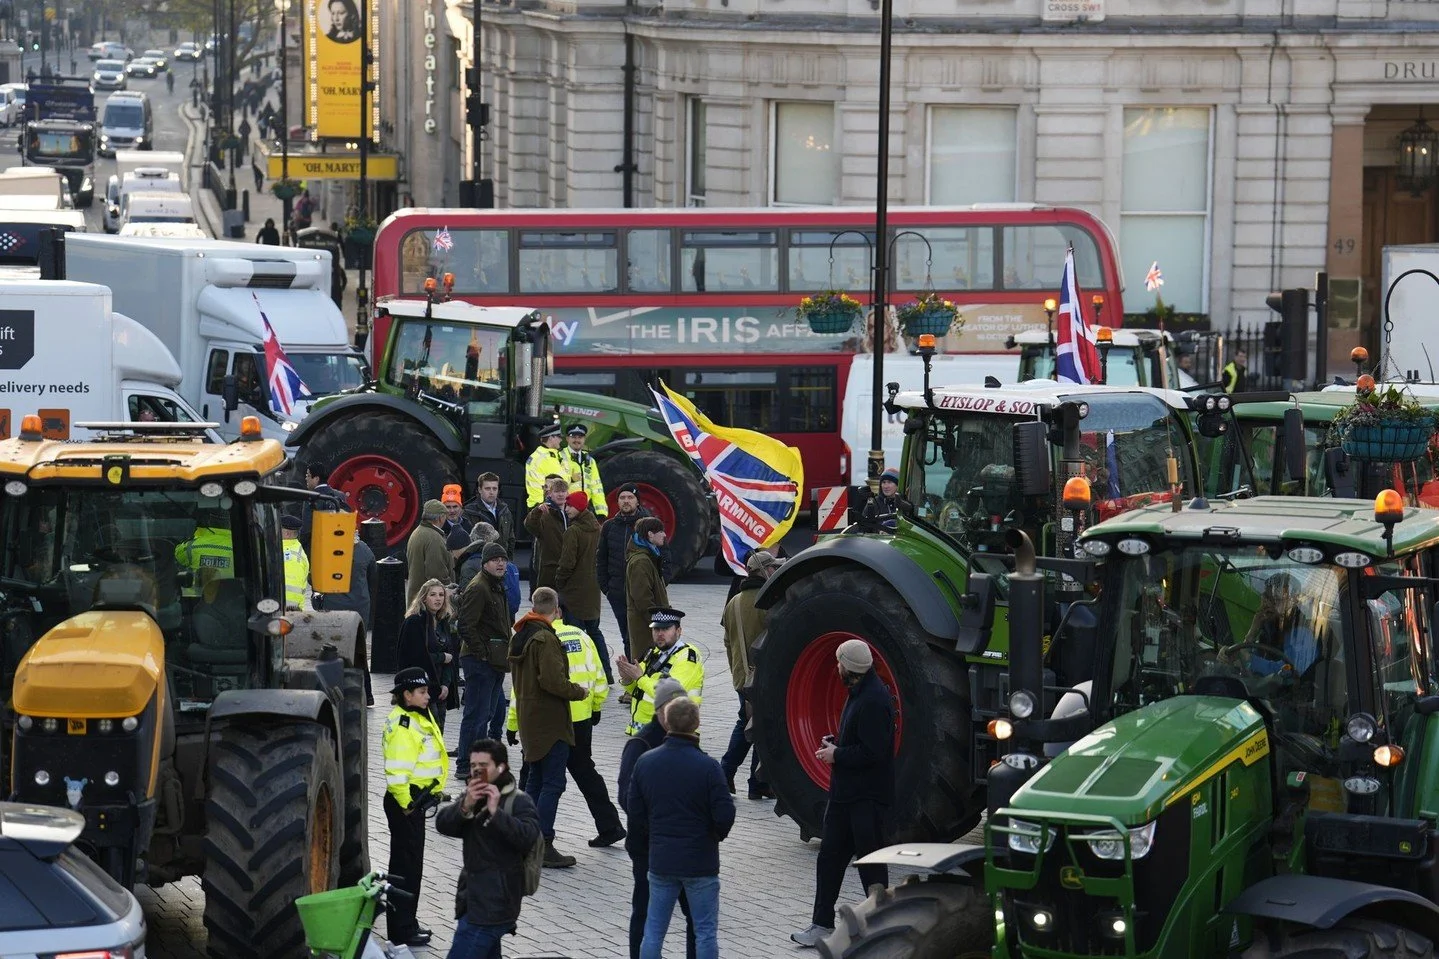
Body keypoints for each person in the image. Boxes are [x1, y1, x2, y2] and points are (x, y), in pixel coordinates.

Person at [791, 639, 896, 947]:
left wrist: (837, 755)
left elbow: (874, 753)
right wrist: (836, 742)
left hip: (866, 799)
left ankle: (882, 926)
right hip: (844, 797)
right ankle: (821, 924)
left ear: (850, 670)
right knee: (829, 860)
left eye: (839, 663)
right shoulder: (859, 692)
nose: (835, 667)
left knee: (871, 863)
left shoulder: (875, 700)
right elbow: (860, 739)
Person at [628, 697, 734, 959]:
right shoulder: (709, 767)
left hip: (662, 860)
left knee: (653, 931)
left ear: (666, 722)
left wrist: (653, 839)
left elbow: (636, 812)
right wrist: (712, 837)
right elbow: (725, 813)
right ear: (697, 723)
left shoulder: (646, 762)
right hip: (700, 862)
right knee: (705, 931)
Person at [506, 614, 623, 847]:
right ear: (558, 611)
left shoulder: (532, 638)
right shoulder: (581, 635)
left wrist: (512, 724)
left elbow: (520, 690)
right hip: (580, 717)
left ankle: (522, 830)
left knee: (533, 776)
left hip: (547, 721)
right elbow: (598, 674)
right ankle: (610, 826)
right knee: (585, 773)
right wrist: (596, 706)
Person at [435, 738, 541, 959]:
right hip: (472, 898)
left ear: (501, 767)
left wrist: (496, 814)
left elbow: (528, 837)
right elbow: (443, 824)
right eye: (473, 766)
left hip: (495, 904)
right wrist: (465, 806)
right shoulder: (473, 796)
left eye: (483, 766)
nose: (476, 772)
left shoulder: (518, 801)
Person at [508, 586, 588, 867]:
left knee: (535, 781)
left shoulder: (521, 634)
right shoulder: (545, 638)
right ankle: (543, 843)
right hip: (550, 721)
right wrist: (578, 691)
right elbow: (552, 681)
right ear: (555, 610)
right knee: (553, 783)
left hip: (530, 718)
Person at [618, 678, 697, 959]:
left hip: (686, 849)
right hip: (649, 849)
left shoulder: (690, 745)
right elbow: (625, 797)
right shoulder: (640, 745)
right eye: (674, 706)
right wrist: (661, 823)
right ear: (660, 709)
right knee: (646, 911)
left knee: (696, 919)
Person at [382, 667, 447, 948]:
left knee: (411, 867)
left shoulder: (416, 714)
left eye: (427, 691)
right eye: (421, 692)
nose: (427, 696)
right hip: (405, 803)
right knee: (405, 868)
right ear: (406, 695)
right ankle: (401, 930)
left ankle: (408, 921)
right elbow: (397, 773)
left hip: (414, 802)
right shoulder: (403, 725)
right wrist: (408, 804)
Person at [720, 549, 780, 799]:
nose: (775, 571)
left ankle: (738, 778)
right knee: (758, 726)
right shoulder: (770, 600)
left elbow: (726, 641)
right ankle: (745, 780)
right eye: (773, 567)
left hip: (741, 676)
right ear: (764, 570)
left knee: (750, 723)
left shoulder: (734, 601)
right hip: (763, 676)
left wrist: (739, 672)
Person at [456, 542, 514, 779]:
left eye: (503, 559)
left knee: (486, 713)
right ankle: (464, 765)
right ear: (485, 563)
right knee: (476, 715)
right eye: (495, 559)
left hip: (494, 661)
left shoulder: (497, 585)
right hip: (480, 661)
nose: (500, 563)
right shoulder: (479, 587)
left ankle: (476, 762)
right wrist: (482, 653)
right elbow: (465, 625)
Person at [597, 484, 671, 656]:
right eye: (622, 498)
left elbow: (666, 557)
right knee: (628, 637)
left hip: (645, 593)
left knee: (649, 636)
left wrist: (660, 583)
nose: (626, 501)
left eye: (630, 497)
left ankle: (647, 672)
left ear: (637, 501)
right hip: (618, 593)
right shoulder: (609, 527)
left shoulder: (649, 524)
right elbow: (601, 559)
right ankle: (634, 674)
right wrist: (607, 588)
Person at [616, 607, 703, 736]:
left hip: (672, 731)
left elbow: (671, 693)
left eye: (666, 629)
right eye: (656, 629)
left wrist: (640, 678)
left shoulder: (687, 657)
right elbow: (638, 691)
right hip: (644, 731)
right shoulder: (653, 652)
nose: (660, 633)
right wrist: (627, 679)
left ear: (678, 631)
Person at [555, 489, 613, 684]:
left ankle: (578, 675)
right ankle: (606, 673)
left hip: (574, 594)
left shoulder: (573, 531)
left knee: (575, 636)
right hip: (592, 592)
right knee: (595, 633)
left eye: (570, 506)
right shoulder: (597, 528)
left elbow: (567, 563)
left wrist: (559, 582)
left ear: (579, 508)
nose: (567, 509)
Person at [398, 579, 457, 729]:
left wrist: (445, 684)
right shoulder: (414, 622)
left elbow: (450, 655)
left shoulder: (443, 621)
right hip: (422, 686)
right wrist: (442, 657)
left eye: (441, 595)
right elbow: (414, 656)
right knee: (427, 728)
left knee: (438, 730)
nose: (438, 599)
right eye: (433, 595)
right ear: (424, 597)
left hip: (440, 685)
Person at [624, 517, 670, 661]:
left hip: (650, 623)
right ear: (650, 534)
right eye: (661, 531)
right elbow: (642, 599)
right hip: (645, 626)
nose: (664, 535)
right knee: (646, 665)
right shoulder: (641, 561)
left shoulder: (649, 556)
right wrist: (658, 624)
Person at [524, 478, 569, 591]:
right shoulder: (544, 512)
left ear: (567, 493)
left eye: (563, 491)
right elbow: (530, 526)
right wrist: (536, 512)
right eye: (557, 491)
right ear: (550, 493)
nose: (560, 494)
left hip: (569, 568)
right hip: (549, 569)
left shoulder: (571, 512)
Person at [406, 500, 453, 604]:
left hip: (417, 598)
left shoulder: (418, 532)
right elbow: (436, 572)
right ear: (440, 518)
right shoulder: (434, 538)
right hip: (429, 602)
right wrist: (450, 587)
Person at [560, 424, 608, 518]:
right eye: (573, 437)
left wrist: (601, 512)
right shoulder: (559, 457)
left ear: (584, 439)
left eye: (580, 437)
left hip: (584, 510)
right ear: (567, 439)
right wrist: (571, 479)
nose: (577, 440)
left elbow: (597, 487)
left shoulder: (589, 460)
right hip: (565, 508)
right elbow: (554, 484)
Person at [465, 471, 515, 557]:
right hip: (480, 562)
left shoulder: (505, 510)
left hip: (502, 561)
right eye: (487, 488)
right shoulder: (469, 512)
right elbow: (467, 543)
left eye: (494, 488)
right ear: (480, 489)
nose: (491, 492)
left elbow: (511, 539)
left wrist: (508, 560)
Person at [524, 424, 566, 508]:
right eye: (558, 436)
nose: (561, 440)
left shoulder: (542, 454)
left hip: (541, 503)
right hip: (543, 504)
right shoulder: (545, 458)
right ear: (551, 438)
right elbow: (559, 481)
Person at [860, 467, 903, 532]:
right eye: (883, 482)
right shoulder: (873, 503)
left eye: (889, 482)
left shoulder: (904, 503)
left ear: (897, 485)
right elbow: (863, 527)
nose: (886, 486)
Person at [280, 515, 309, 610]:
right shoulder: (286, 550)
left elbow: (290, 594)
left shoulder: (291, 558)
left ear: (287, 534)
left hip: (286, 615)